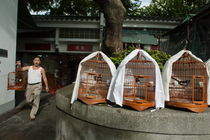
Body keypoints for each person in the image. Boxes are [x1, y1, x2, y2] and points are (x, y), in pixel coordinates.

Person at [19, 56, 49, 120]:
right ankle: (33, 103)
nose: (36, 61)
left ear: (39, 62)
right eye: (35, 60)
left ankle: (32, 114)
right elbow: (20, 69)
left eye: (38, 60)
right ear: (33, 61)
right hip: (29, 86)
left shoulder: (41, 69)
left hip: (38, 85)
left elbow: (44, 78)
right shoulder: (29, 67)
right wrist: (18, 65)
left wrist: (46, 86)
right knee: (28, 99)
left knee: (37, 95)